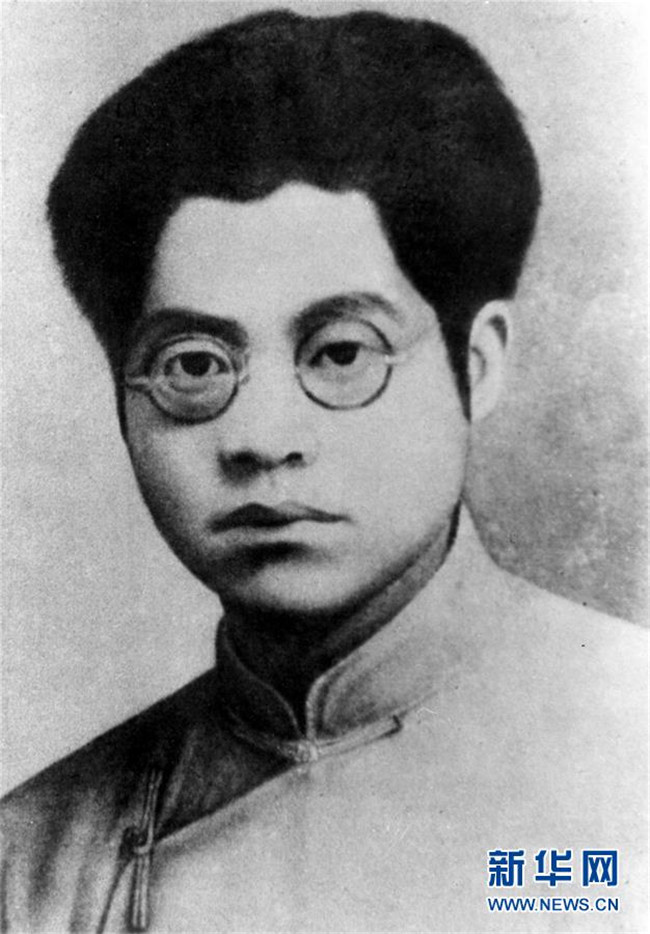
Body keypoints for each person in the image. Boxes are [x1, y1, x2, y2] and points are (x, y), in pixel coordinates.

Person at [1, 8, 646, 933]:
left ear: (479, 363)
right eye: (194, 364)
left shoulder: (629, 755)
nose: (263, 438)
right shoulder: (31, 862)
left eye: (341, 353)